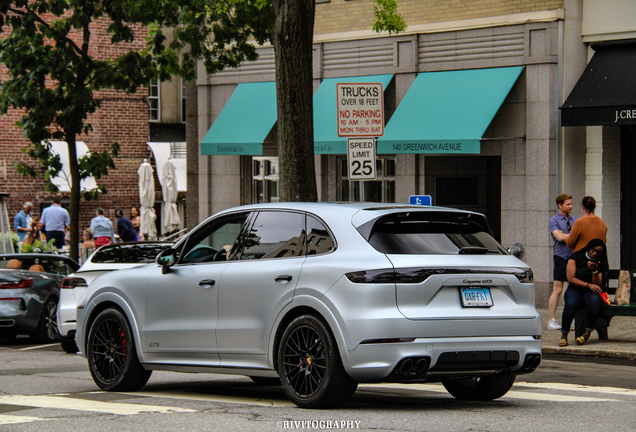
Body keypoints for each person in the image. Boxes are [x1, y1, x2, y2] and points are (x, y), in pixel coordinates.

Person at [559, 239, 608, 347]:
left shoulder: (600, 261)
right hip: (575, 288)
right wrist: (588, 285)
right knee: (571, 303)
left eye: (598, 252)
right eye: (594, 250)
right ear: (589, 247)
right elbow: (571, 278)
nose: (595, 253)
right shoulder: (576, 257)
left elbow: (598, 283)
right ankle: (564, 335)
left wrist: (594, 271)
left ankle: (586, 334)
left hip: (590, 291)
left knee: (594, 301)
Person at [547, 194, 576, 330]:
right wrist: (570, 237)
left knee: (574, 288)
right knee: (557, 289)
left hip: (573, 257)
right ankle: (551, 320)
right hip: (560, 257)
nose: (570, 206)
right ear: (560, 205)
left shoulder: (575, 220)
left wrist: (566, 236)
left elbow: (578, 237)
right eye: (568, 204)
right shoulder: (554, 220)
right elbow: (558, 237)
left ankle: (573, 319)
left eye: (571, 204)